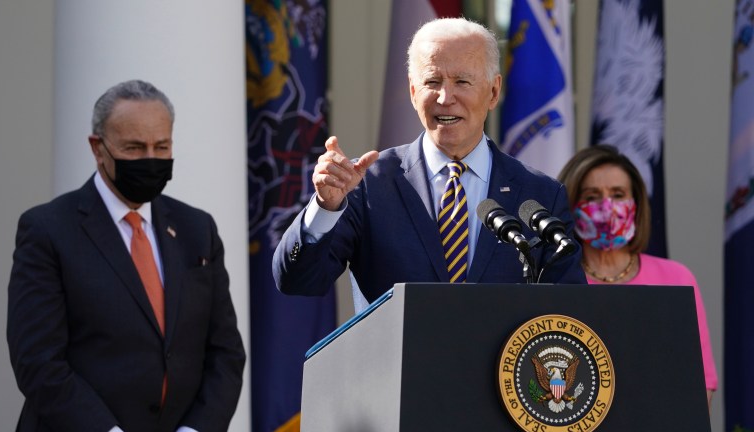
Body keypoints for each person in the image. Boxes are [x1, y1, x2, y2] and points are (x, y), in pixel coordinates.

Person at [273, 17, 586, 311]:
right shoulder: (366, 183)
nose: (445, 97)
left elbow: (568, 312)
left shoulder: (540, 195)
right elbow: (298, 281)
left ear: (493, 91)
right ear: (412, 90)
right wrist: (325, 208)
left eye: (462, 81)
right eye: (432, 81)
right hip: (397, 369)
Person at [7, 80, 246, 432]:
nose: (150, 158)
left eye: (161, 146)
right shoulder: (48, 230)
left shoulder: (198, 229)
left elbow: (225, 353)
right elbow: (38, 362)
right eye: (134, 148)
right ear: (97, 148)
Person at [557, 144, 718, 407]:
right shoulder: (555, 281)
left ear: (637, 204)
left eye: (618, 194)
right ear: (571, 206)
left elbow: (700, 384)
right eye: (592, 196)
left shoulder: (675, 278)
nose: (607, 206)